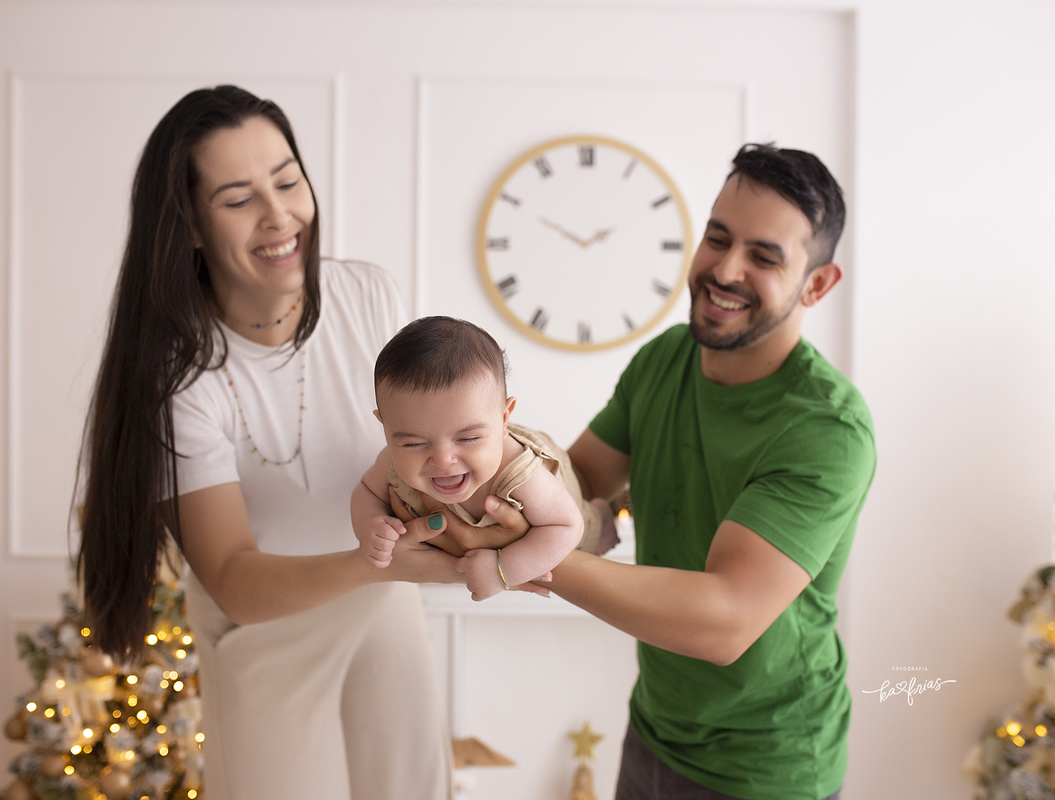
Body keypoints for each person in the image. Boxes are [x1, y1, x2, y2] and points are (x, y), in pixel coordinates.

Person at [436, 143, 875, 800]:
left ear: (817, 285)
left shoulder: (826, 430)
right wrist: (468, 463)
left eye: (763, 256)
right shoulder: (666, 358)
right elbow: (578, 481)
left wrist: (524, 556)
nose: (725, 270)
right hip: (655, 732)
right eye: (718, 239)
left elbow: (723, 620)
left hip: (770, 769)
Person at [75, 85, 458, 800]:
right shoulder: (177, 376)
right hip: (266, 633)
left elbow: (428, 449)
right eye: (238, 197)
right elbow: (233, 577)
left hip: (384, 607)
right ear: (189, 224)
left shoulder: (368, 297)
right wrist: (378, 563)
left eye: (287, 181)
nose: (280, 215)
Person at [354, 316, 599, 601]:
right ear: (385, 427)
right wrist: (370, 526)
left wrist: (501, 569)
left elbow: (566, 526)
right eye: (414, 443)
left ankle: (604, 515)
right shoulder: (391, 462)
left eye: (468, 438)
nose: (444, 460)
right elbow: (366, 490)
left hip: (568, 515)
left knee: (592, 527)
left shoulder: (521, 473)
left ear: (504, 419)